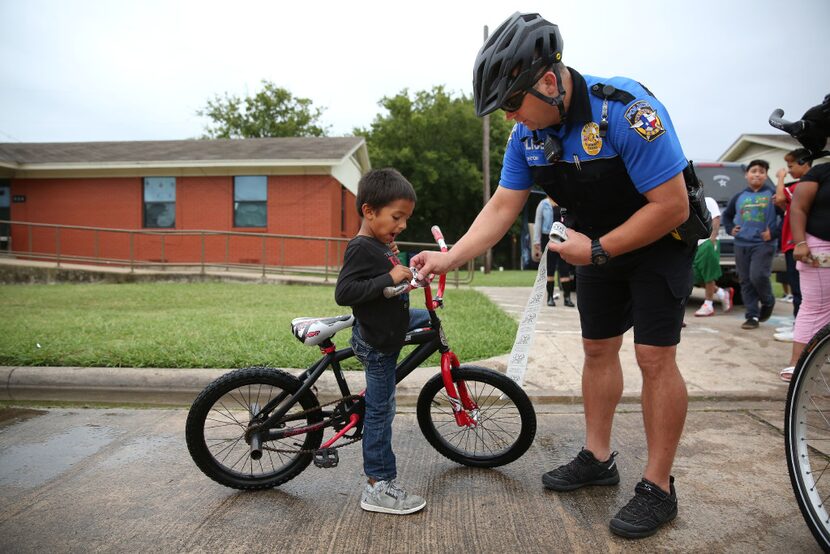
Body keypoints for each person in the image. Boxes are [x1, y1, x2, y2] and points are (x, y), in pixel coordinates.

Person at [412, 12, 694, 539]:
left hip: (658, 242)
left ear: (548, 80)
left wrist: (602, 249)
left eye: (513, 103)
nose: (510, 118)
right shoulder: (527, 136)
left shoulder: (626, 111)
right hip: (591, 246)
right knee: (596, 350)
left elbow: (673, 205)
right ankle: (597, 457)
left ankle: (659, 486)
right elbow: (502, 207)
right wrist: (447, 258)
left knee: (654, 357)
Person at [334, 168, 430, 515]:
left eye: (405, 218)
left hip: (389, 325)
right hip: (377, 343)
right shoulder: (360, 247)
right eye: (397, 217)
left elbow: (386, 282)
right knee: (380, 411)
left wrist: (399, 266)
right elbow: (344, 292)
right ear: (369, 211)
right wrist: (389, 274)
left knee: (432, 320)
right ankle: (377, 485)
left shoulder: (377, 244)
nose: (402, 224)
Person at [778, 160, 830, 382]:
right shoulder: (820, 172)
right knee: (813, 306)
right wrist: (800, 242)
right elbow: (798, 207)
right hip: (820, 244)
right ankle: (797, 362)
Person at [721, 160, 778, 330]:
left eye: (761, 171)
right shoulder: (739, 197)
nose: (757, 174)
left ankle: (768, 301)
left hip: (763, 244)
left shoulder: (773, 195)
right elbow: (727, 216)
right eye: (754, 171)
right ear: (747, 174)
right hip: (741, 243)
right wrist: (731, 229)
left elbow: (786, 216)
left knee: (758, 276)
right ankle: (752, 316)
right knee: (745, 280)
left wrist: (774, 233)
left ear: (766, 175)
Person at [773, 148, 812, 341]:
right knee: (798, 289)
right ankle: (798, 324)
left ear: (805, 163)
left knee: (799, 290)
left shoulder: (801, 186)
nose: (788, 171)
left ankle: (800, 330)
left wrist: (780, 178)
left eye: (791, 166)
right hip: (791, 245)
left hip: (796, 244)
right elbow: (782, 203)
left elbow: (780, 197)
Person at [692, 196, 734, 317]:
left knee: (708, 274)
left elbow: (716, 218)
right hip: (695, 244)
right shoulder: (688, 202)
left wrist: (712, 238)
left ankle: (708, 305)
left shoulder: (708, 200)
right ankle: (722, 293)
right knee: (696, 277)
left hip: (707, 242)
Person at [533, 195, 575, 307]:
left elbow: (570, 220)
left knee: (564, 267)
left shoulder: (564, 203)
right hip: (547, 237)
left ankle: (567, 298)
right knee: (550, 268)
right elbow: (538, 223)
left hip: (563, 237)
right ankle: (550, 298)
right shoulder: (543, 204)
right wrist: (536, 242)